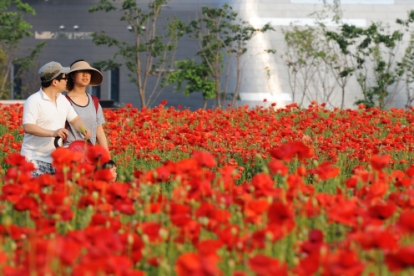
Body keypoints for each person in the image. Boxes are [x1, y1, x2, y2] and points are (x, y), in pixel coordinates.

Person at [21, 61, 92, 177]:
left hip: (55, 160)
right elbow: (28, 126)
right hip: (33, 159)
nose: (67, 81)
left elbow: (74, 119)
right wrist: (53, 133)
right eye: (64, 78)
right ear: (55, 82)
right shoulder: (34, 100)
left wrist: (83, 129)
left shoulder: (62, 100)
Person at [64, 59, 109, 154]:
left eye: (88, 72)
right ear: (72, 75)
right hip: (70, 154)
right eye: (81, 71)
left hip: (89, 154)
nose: (85, 75)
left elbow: (99, 132)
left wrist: (107, 159)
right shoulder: (64, 101)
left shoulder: (94, 102)